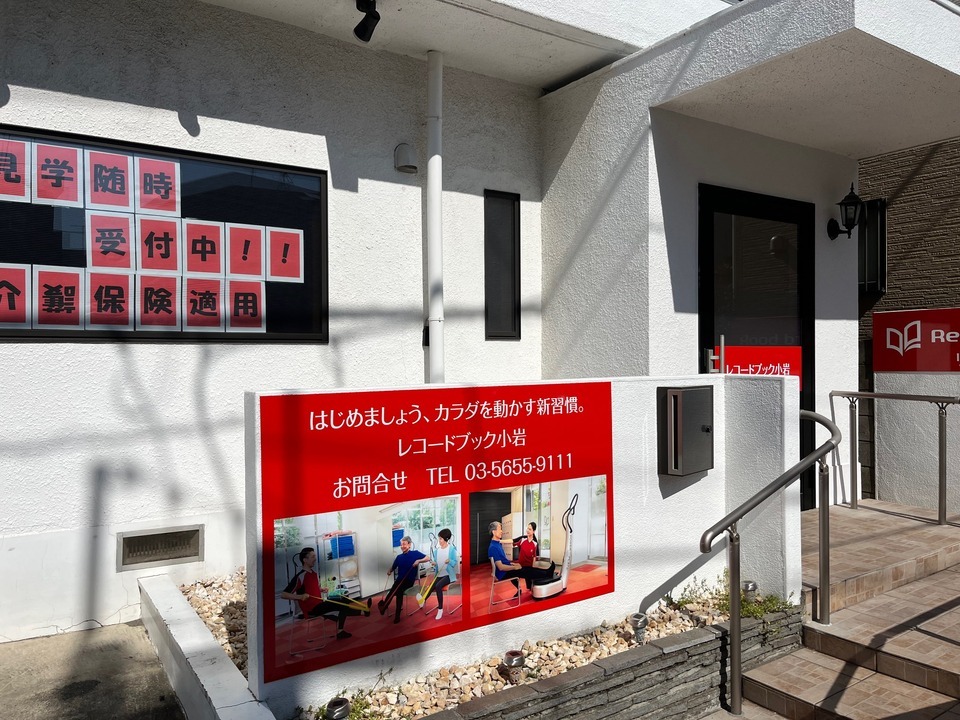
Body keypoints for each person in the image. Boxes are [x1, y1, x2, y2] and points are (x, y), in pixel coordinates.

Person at [280, 547, 371, 640]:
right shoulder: (300, 576)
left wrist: (321, 589)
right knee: (341, 605)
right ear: (305, 560)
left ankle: (360, 615)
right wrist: (300, 596)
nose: (315, 559)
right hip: (312, 610)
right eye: (312, 557)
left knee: (344, 599)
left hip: (320, 604)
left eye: (315, 556)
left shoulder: (314, 574)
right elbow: (284, 594)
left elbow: (311, 588)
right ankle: (362, 613)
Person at [488, 521, 555, 593]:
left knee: (526, 569)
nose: (502, 531)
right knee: (526, 571)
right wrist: (514, 567)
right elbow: (501, 567)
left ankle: (546, 572)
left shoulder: (497, 544)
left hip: (505, 570)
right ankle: (547, 573)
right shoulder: (493, 547)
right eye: (500, 529)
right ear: (494, 532)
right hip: (503, 573)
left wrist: (512, 564)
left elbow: (503, 561)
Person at [380, 535, 431, 623]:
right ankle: (386, 607)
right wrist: (389, 571)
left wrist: (418, 561)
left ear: (409, 544)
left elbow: (428, 558)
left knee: (397, 590)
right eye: (401, 544)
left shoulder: (415, 553)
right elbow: (393, 567)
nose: (402, 546)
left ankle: (392, 611)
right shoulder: (399, 557)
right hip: (399, 581)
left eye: (404, 544)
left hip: (408, 581)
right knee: (394, 590)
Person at [420, 528, 458, 620]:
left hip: (448, 575)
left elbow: (454, 562)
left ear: (446, 539)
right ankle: (422, 600)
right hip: (439, 575)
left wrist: (450, 561)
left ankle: (440, 609)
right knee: (431, 585)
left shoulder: (451, 549)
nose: (439, 541)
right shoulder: (437, 551)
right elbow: (437, 564)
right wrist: (434, 564)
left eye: (440, 538)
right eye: (439, 538)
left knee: (438, 586)